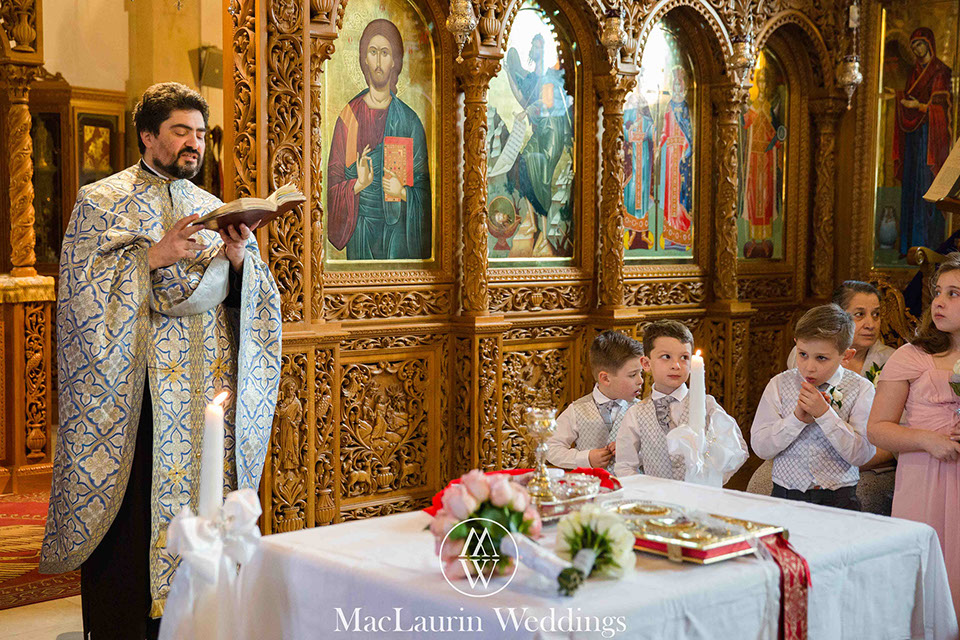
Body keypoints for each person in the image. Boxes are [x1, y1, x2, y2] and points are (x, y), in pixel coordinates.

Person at [39, 82, 282, 640]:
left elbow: (256, 303)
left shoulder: (213, 208)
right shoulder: (100, 201)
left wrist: (240, 259)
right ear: (148, 136)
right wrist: (153, 255)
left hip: (203, 401)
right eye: (180, 131)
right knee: (132, 526)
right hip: (136, 403)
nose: (193, 143)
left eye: (199, 133)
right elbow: (81, 297)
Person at [868, 253, 960, 621]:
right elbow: (877, 428)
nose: (939, 301)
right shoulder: (911, 356)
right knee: (925, 579)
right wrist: (926, 440)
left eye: (954, 293)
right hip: (924, 479)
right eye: (938, 292)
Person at [752, 305, 876, 510]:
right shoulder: (779, 385)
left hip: (839, 498)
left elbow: (862, 454)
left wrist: (825, 415)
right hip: (785, 495)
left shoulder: (862, 388)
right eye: (802, 354)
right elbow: (761, 447)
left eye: (821, 358)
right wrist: (796, 420)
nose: (809, 367)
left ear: (846, 356)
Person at [326, 19, 431, 260]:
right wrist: (358, 184)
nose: (379, 61)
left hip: (398, 235)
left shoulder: (409, 121)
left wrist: (403, 192)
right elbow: (332, 186)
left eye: (385, 53)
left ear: (395, 61)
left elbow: (426, 192)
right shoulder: (349, 117)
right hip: (360, 231)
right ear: (364, 59)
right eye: (373, 52)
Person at [615, 321, 747, 481]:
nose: (676, 365)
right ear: (646, 364)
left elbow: (738, 448)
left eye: (684, 357)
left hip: (699, 493)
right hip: (656, 495)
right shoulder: (636, 414)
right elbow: (624, 466)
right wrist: (647, 489)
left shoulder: (707, 405)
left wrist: (711, 479)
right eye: (666, 357)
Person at [545, 331, 643, 472]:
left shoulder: (641, 410)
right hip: (591, 483)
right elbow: (550, 447)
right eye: (633, 375)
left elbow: (658, 451)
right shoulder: (576, 410)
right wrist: (586, 458)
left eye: (641, 373)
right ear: (605, 378)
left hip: (632, 484)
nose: (640, 380)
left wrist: (632, 450)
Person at [893, 27, 953, 257]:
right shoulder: (914, 72)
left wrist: (917, 106)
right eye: (913, 46)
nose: (917, 50)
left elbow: (942, 106)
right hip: (914, 137)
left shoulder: (940, 71)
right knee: (911, 186)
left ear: (929, 44)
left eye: (919, 44)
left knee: (925, 185)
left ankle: (926, 244)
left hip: (931, 139)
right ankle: (908, 246)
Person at [787, 281, 895, 382]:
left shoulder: (891, 359)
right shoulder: (804, 352)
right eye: (859, 314)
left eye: (876, 314)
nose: (870, 325)